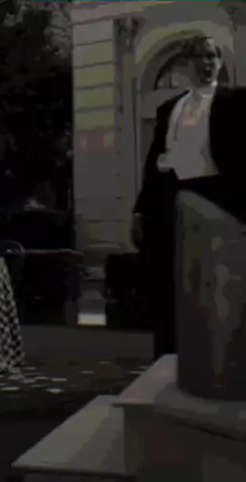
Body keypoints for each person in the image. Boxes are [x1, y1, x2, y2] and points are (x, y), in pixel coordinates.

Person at [132, 35, 246, 360]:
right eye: (199, 57)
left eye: (212, 56)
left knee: (217, 281)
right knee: (169, 281)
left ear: (219, 62)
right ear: (186, 65)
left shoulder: (237, 101)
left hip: (219, 197)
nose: (206, 63)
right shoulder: (170, 108)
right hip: (172, 198)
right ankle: (167, 357)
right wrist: (141, 210)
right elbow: (154, 162)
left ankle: (221, 359)